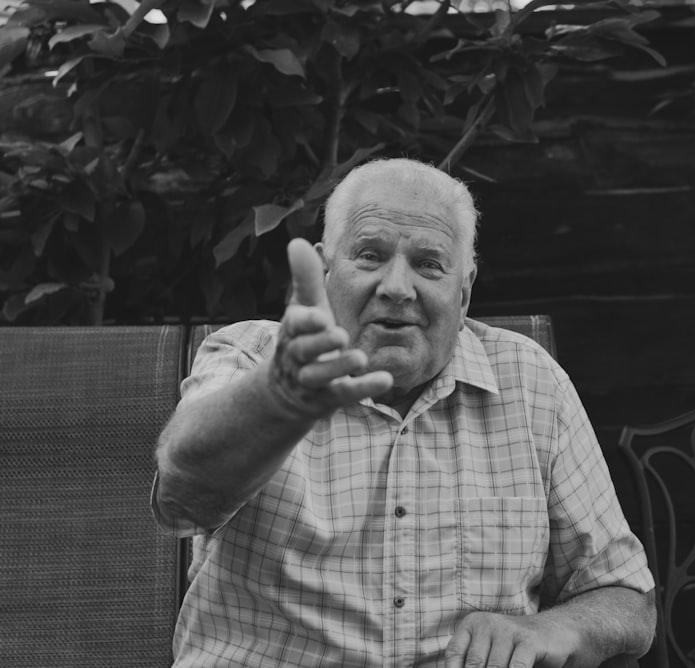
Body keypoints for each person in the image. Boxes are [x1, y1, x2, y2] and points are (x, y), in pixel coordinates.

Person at [152, 157, 656, 667]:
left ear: (464, 292)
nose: (396, 285)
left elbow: (627, 599)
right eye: (370, 255)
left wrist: (551, 629)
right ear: (326, 272)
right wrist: (274, 400)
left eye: (429, 263)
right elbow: (182, 496)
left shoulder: (531, 384)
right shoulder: (251, 359)